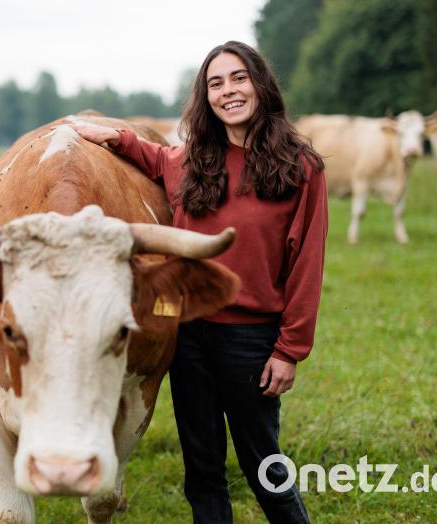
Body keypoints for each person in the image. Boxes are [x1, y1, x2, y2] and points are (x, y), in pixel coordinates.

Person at [71, 41, 326, 523]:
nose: (228, 91)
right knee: (202, 470)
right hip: (186, 334)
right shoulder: (190, 161)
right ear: (204, 97)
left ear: (260, 84)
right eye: (215, 83)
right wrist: (112, 138)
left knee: (264, 468)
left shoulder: (302, 168)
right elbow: (150, 156)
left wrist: (289, 350)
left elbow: (307, 264)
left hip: (251, 340)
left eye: (238, 78)